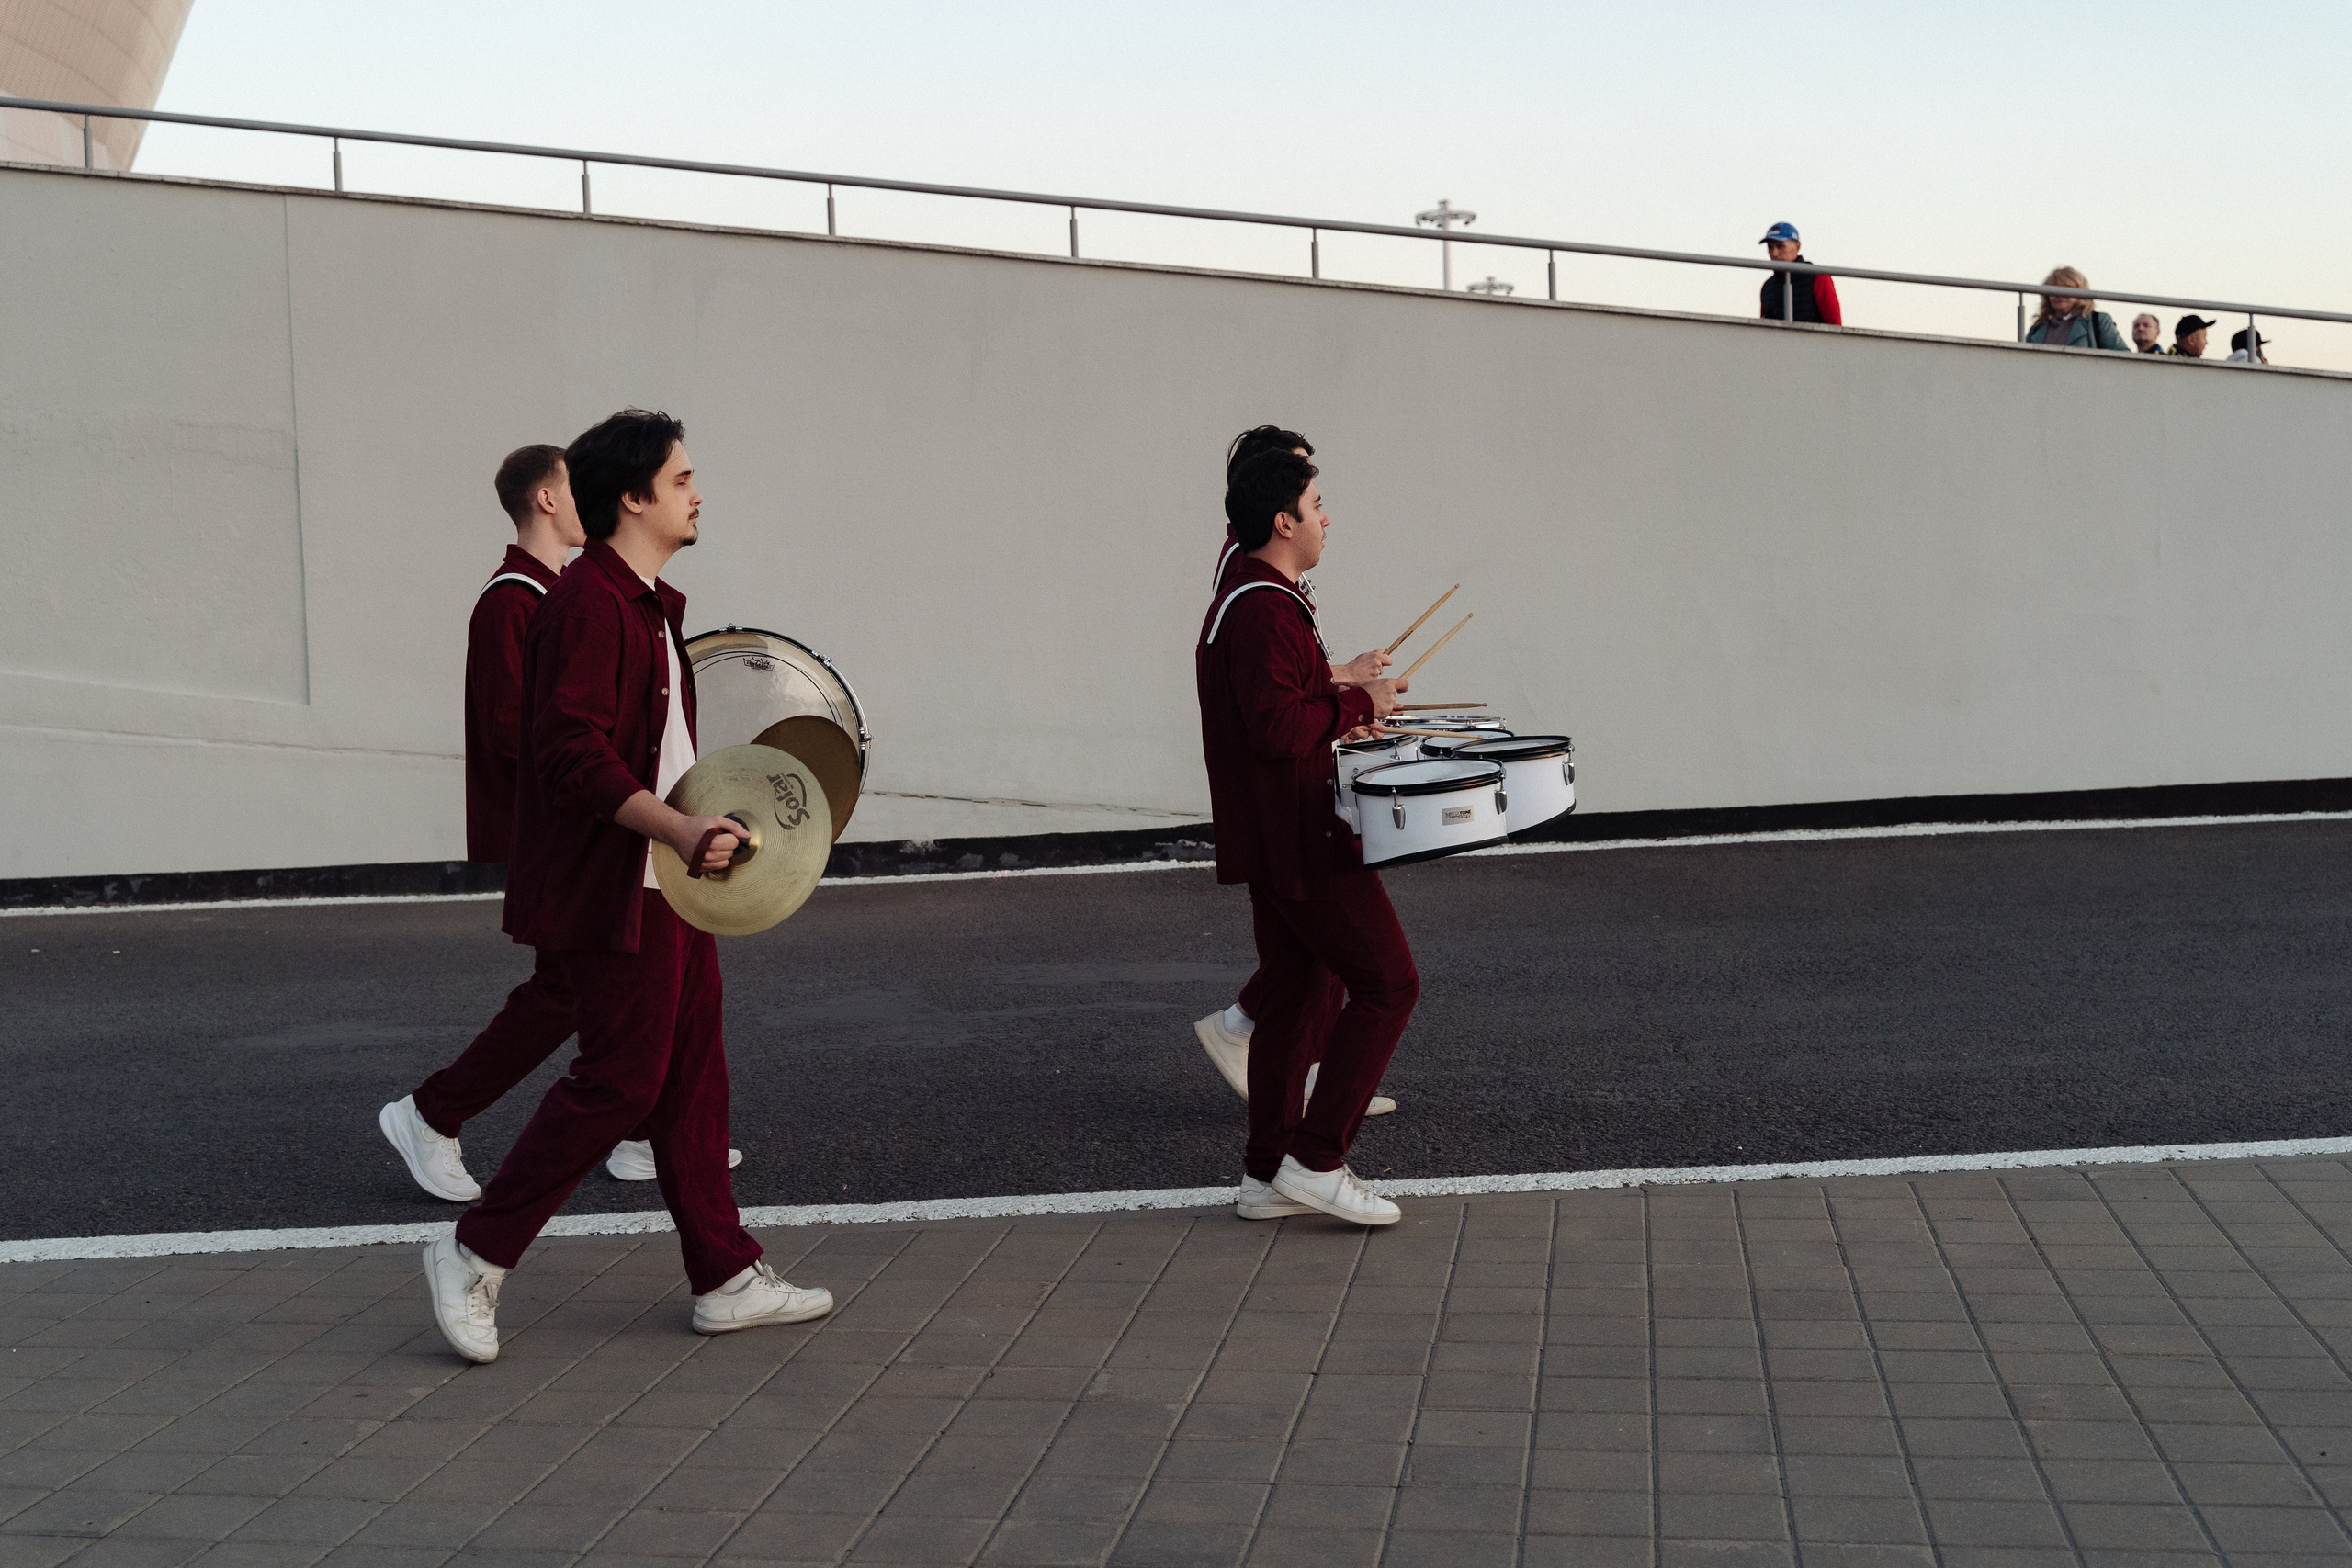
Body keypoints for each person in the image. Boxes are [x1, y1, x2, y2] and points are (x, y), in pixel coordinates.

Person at [422, 410, 830, 1362]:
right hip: (619, 886)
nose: (698, 493)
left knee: (691, 1081)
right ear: (633, 498)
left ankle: (725, 1276)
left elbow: (656, 748)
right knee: (619, 1083)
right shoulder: (587, 603)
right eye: (682, 479)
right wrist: (681, 827)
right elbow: (567, 752)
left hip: (669, 883)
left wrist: (704, 828)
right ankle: (471, 1250)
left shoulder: (644, 601)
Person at [377, 447, 738, 1201]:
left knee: (604, 993)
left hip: (596, 836)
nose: (593, 503)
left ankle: (639, 1132)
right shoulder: (519, 600)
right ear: (546, 498)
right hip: (569, 842)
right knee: (579, 993)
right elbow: (535, 736)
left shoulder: (565, 592)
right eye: (578, 490)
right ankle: (434, 1113)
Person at [1196, 447, 1419, 1226]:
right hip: (1300, 832)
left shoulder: (1257, 593)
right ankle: (1318, 1159)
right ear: (1283, 521)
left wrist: (1341, 680)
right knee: (1390, 984)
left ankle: (1265, 1176)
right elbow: (1277, 725)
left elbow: (1283, 695)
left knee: (1296, 993)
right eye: (1317, 502)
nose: (1327, 516)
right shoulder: (1260, 605)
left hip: (1275, 831)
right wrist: (1362, 704)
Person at [1757, 222, 1842, 325]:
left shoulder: (1818, 277)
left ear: (1797, 246)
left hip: (1814, 340)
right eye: (1770, 247)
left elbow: (1835, 325)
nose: (1774, 253)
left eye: (1780, 246)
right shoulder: (1767, 287)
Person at [2023, 268, 2127, 350]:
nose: (2058, 294)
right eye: (2053, 289)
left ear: (2080, 293)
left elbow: (2122, 358)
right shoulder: (2037, 327)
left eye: (2065, 289)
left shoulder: (2098, 321)